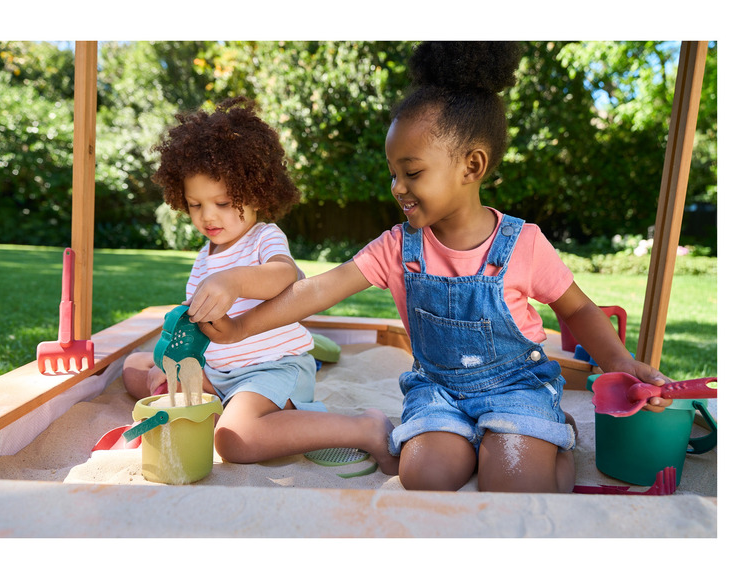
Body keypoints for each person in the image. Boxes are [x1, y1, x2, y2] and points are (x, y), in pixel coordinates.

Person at [193, 43, 673, 493]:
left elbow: (580, 310)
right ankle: (502, 437)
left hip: (514, 387)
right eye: (393, 173)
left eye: (413, 172)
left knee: (512, 480)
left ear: (472, 165)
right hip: (440, 389)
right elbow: (316, 291)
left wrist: (619, 362)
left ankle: (551, 432)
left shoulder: (522, 243)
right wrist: (237, 329)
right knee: (423, 475)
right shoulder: (398, 246)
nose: (398, 187)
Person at [122, 97, 399, 474]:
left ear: (255, 191)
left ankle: (364, 428)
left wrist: (233, 281)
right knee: (136, 366)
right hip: (220, 374)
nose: (208, 216)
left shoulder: (263, 238)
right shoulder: (204, 256)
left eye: (222, 201)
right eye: (195, 204)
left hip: (273, 370)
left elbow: (285, 275)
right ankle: (189, 405)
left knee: (235, 440)